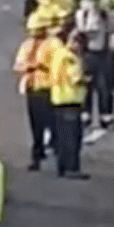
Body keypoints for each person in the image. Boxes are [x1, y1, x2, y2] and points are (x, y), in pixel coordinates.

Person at [14, 21, 56, 170]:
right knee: (36, 124)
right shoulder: (26, 46)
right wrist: (31, 66)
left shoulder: (52, 45)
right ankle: (37, 155)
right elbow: (18, 65)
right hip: (33, 88)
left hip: (49, 87)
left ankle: (55, 150)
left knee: (52, 122)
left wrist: (42, 66)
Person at [49, 28, 88, 177]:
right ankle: (72, 168)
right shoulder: (71, 58)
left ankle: (62, 167)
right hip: (70, 100)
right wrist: (86, 80)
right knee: (73, 138)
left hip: (58, 99)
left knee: (62, 136)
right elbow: (75, 78)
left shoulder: (59, 54)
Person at [77, 0, 112, 129]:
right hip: (89, 52)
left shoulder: (103, 11)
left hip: (101, 51)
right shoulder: (83, 12)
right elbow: (81, 30)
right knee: (88, 85)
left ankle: (105, 117)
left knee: (103, 87)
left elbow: (111, 25)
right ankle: (87, 115)